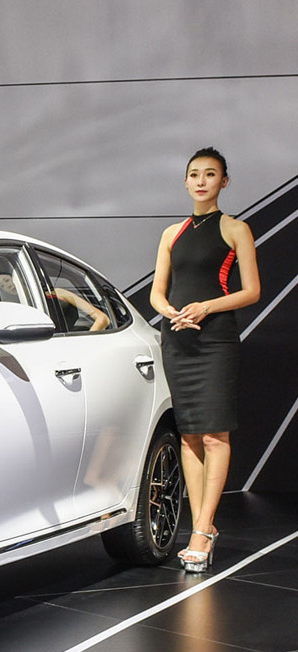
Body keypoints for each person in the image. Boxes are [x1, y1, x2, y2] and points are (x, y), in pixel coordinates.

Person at [149, 147, 261, 572]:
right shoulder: (170, 233)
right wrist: (172, 313)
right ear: (185, 181)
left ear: (224, 181)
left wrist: (205, 307)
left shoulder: (235, 229)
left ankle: (200, 532)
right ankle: (204, 527)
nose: (201, 181)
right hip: (178, 340)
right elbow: (157, 293)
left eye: (210, 174)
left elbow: (252, 291)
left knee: (215, 437)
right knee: (189, 437)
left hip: (215, 341)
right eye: (194, 174)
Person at [0, 273, 109, 331]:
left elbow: (102, 318)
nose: (7, 286)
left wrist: (86, 344)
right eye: (2, 286)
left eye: (7, 280)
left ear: (18, 277)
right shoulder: (18, 309)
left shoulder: (57, 293)